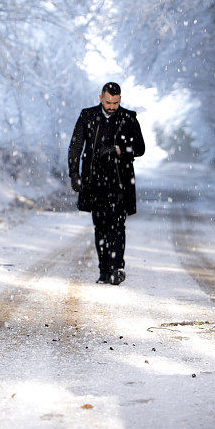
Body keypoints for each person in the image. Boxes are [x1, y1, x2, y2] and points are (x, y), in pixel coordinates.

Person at [68, 82, 145, 285]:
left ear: (120, 100)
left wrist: (119, 150)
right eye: (109, 101)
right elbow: (75, 146)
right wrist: (74, 174)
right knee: (100, 227)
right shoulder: (88, 116)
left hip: (119, 182)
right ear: (100, 97)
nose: (112, 106)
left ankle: (117, 267)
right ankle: (104, 270)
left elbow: (140, 147)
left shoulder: (128, 118)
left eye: (116, 102)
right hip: (94, 182)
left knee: (117, 225)